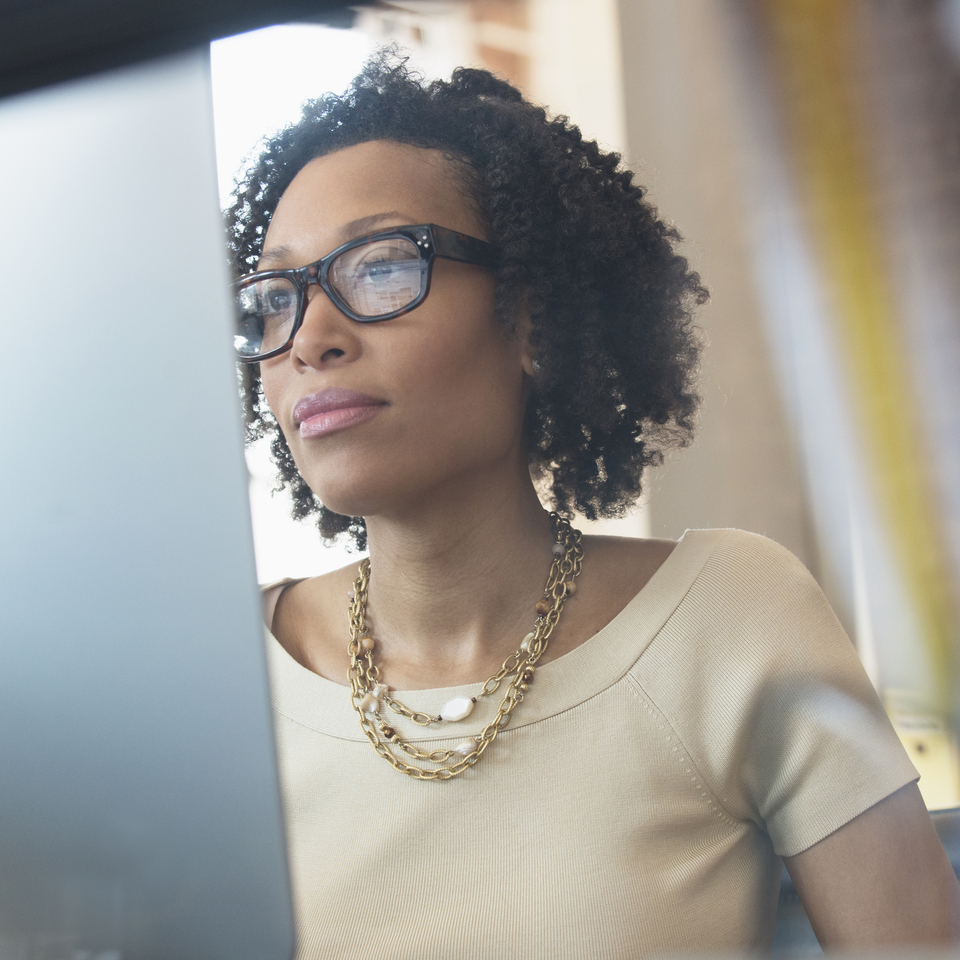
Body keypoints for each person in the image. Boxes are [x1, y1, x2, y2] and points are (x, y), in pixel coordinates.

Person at [225, 53, 960, 958]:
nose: (311, 338)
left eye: (379, 268)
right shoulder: (221, 680)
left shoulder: (731, 618)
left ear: (533, 318)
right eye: (274, 298)